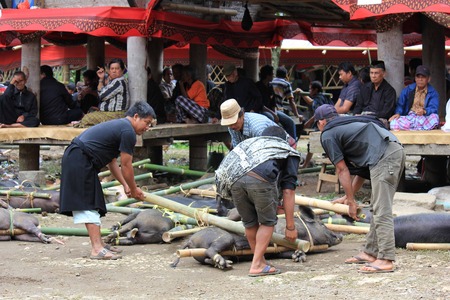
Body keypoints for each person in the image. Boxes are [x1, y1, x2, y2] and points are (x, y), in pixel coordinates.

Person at [315, 104, 405, 273]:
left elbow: (342, 170)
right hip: (392, 150)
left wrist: (350, 200)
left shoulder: (328, 134)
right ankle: (371, 252)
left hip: (384, 156)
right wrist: (350, 197)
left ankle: (386, 258)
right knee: (376, 206)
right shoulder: (347, 124)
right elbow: (362, 171)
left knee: (381, 209)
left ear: (321, 122)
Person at [59, 101, 153, 260]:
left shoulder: (122, 127)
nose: (147, 127)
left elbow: (112, 162)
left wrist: (125, 185)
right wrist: (134, 188)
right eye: (146, 122)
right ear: (136, 117)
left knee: (93, 201)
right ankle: (96, 249)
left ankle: (99, 244)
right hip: (79, 158)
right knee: (87, 202)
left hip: (79, 158)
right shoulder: (128, 131)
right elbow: (126, 164)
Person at [215, 125, 300, 276]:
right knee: (267, 222)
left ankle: (259, 260)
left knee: (250, 222)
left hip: (233, 180)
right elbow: (288, 190)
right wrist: (290, 227)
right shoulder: (285, 150)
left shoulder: (251, 144)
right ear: (283, 140)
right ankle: (256, 265)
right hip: (260, 179)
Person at [220, 98, 296, 149]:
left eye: (234, 122)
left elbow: (265, 154)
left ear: (242, 115)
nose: (232, 126)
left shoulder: (257, 128)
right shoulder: (232, 128)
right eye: (229, 123)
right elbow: (238, 149)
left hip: (285, 148)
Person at [76, 58, 129, 127]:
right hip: (108, 113)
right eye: (112, 69)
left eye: (117, 68)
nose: (114, 71)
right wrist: (101, 79)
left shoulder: (119, 82)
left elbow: (101, 96)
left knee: (87, 118)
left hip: (116, 114)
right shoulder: (114, 81)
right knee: (90, 112)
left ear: (122, 70)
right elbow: (101, 92)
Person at [389, 65, 439, 131]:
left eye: (423, 77)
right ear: (415, 78)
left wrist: (424, 111)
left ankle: (413, 128)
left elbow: (433, 108)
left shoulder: (433, 92)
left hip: (424, 117)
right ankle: (419, 128)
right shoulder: (408, 89)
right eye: (418, 77)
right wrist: (398, 113)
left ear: (428, 79)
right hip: (410, 117)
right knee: (393, 123)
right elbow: (400, 104)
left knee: (435, 118)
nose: (420, 79)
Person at [256, 65, 297, 139]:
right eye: (272, 74)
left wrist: (275, 112)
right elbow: (260, 104)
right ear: (267, 75)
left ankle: (292, 143)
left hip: (272, 110)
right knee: (271, 118)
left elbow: (273, 103)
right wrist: (274, 114)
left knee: (290, 122)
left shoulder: (270, 86)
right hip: (261, 110)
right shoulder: (258, 86)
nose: (273, 76)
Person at [354, 60, 397, 128]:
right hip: (362, 117)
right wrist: (356, 115)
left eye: (376, 73)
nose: (373, 76)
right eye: (371, 73)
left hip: (379, 120)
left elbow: (386, 113)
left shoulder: (389, 91)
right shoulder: (365, 87)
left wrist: (369, 116)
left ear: (383, 74)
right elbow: (358, 106)